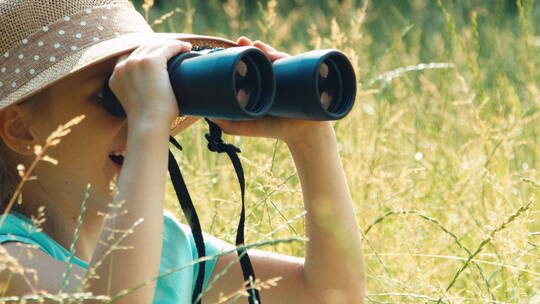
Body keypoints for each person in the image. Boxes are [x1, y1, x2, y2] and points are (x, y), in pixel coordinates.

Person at [0, 0, 365, 303]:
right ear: (19, 128)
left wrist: (311, 139)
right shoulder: (9, 261)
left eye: (146, 88)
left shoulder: (169, 248)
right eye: (111, 95)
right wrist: (148, 118)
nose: (136, 111)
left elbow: (330, 295)